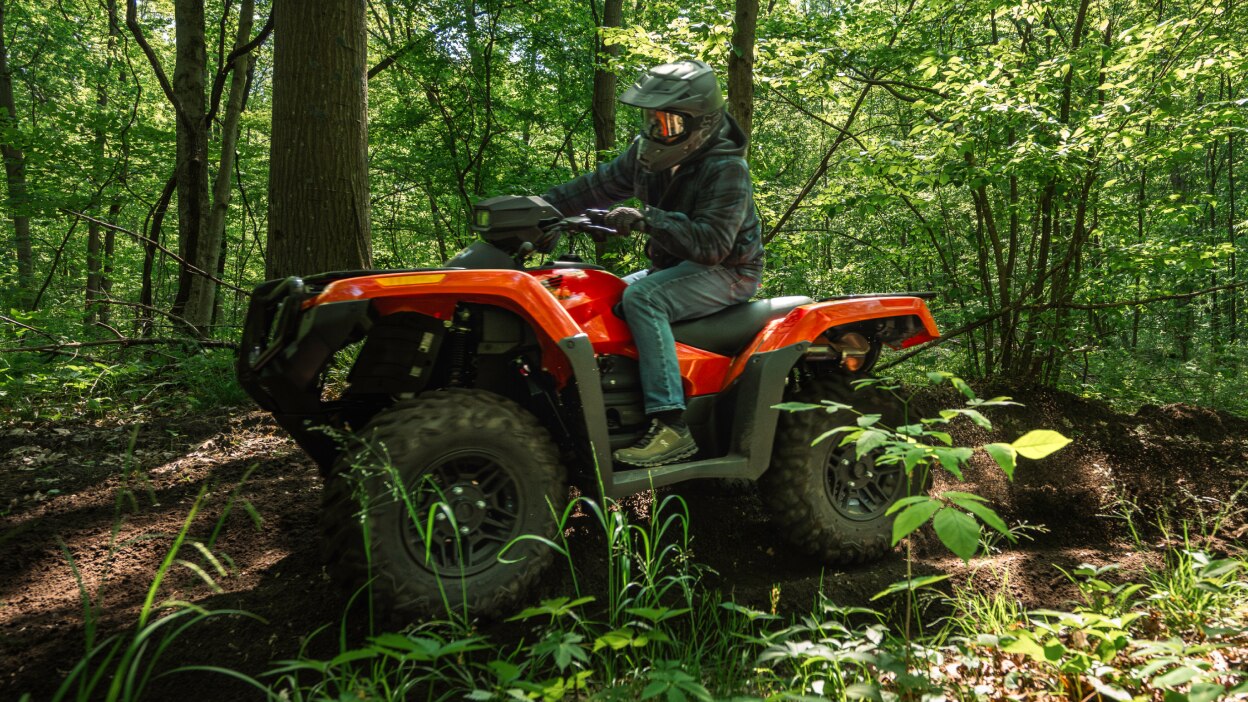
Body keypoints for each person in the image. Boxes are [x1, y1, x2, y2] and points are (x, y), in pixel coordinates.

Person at [543, 59, 764, 467]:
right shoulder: (648, 157)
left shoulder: (726, 168)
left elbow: (713, 244)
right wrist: (539, 208)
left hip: (731, 270)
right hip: (676, 266)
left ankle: (670, 425)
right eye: (651, 119)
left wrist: (649, 220)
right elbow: (598, 185)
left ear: (700, 123)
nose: (655, 130)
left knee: (643, 298)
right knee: (599, 299)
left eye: (667, 122)